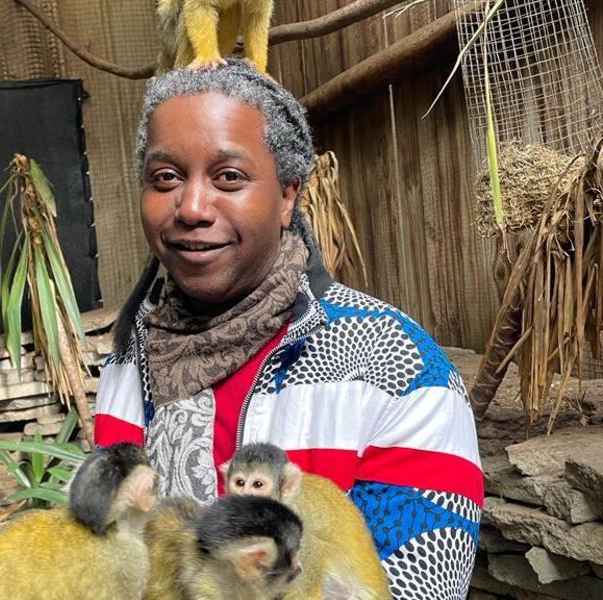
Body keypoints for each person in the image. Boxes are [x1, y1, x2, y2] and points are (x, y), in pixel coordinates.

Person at [95, 59, 482, 600]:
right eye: (166, 178)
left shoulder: (395, 367)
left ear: (287, 196)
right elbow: (116, 556)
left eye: (229, 177)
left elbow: (418, 587)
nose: (191, 207)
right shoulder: (129, 360)